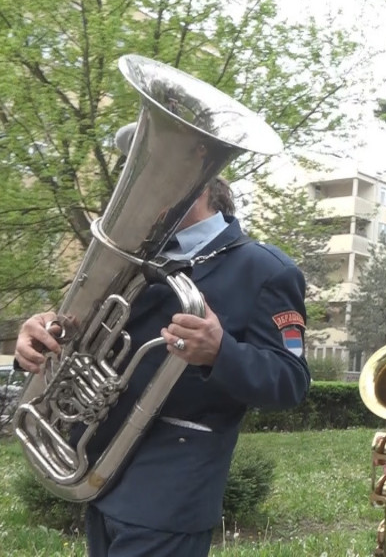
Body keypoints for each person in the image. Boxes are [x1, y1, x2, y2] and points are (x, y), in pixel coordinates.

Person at [15, 166, 310, 557]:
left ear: (200, 184)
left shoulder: (266, 269)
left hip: (173, 487)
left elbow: (290, 380)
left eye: (149, 177)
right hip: (100, 470)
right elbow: (80, 334)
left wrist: (221, 352)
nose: (136, 192)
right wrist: (42, 333)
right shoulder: (130, 256)